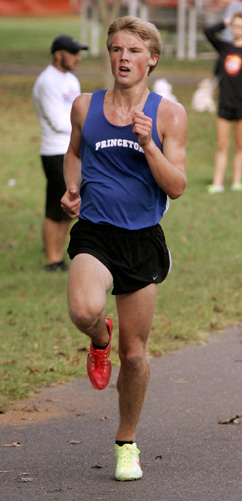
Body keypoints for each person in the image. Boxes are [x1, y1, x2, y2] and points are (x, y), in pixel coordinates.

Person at [61, 16, 187, 481]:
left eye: (134, 50)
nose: (123, 58)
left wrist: (149, 146)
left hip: (142, 238)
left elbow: (177, 186)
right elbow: (74, 152)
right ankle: (99, 338)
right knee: (84, 309)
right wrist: (72, 186)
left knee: (134, 355)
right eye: (116, 49)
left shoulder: (169, 114)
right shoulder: (84, 105)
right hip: (95, 231)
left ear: (151, 58)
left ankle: (126, 442)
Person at [32, 34, 88, 270]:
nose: (77, 57)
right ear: (58, 55)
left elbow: (78, 114)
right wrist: (84, 125)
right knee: (55, 207)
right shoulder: (47, 82)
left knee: (69, 205)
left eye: (78, 53)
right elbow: (57, 121)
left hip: (72, 151)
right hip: (55, 151)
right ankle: (51, 259)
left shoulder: (71, 81)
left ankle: (59, 257)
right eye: (73, 53)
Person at [204, 11, 242, 193]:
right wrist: (226, 21)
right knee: (221, 145)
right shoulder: (225, 47)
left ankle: (236, 182)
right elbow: (208, 32)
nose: (237, 29)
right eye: (235, 26)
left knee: (240, 146)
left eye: (240, 26)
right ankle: (217, 183)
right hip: (225, 103)